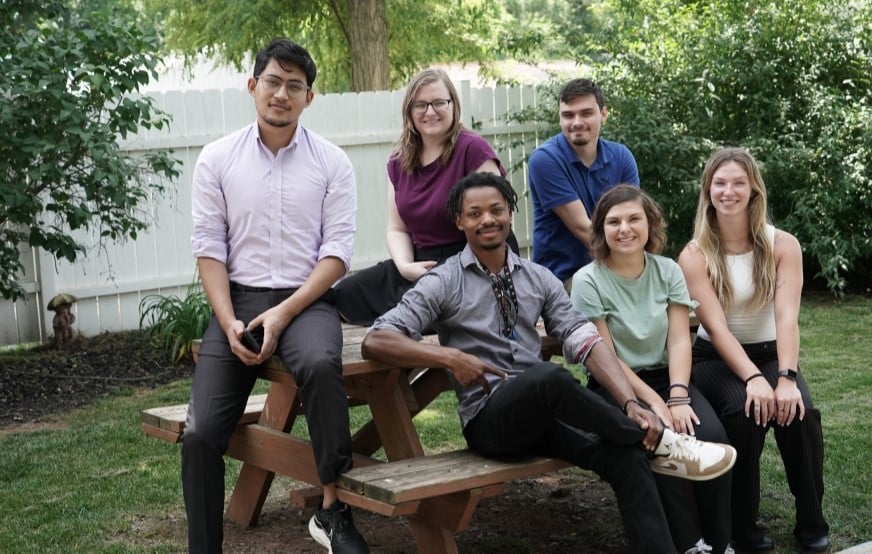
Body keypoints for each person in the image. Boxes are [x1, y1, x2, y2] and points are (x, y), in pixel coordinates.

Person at [362, 172, 737, 553]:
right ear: (460, 221)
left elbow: (585, 339)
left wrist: (629, 402)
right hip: (490, 421)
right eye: (474, 213)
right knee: (549, 377)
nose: (487, 219)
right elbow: (377, 340)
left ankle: (647, 455)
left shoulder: (539, 278)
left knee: (625, 457)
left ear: (510, 211)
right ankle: (664, 444)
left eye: (495, 209)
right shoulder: (442, 282)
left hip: (545, 420)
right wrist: (447, 356)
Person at [184, 38, 369, 554]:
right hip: (236, 301)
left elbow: (337, 254)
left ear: (309, 97)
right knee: (200, 435)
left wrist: (285, 313)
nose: (282, 94)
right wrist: (226, 322)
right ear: (253, 86)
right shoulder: (217, 159)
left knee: (318, 364)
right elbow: (209, 249)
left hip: (307, 299)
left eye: (295, 86)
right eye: (273, 82)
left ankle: (332, 510)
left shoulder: (333, 163)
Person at [678, 147, 829, 553]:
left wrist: (786, 378)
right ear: (708, 190)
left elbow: (787, 319)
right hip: (715, 357)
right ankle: (742, 527)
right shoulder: (694, 254)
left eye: (738, 182)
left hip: (771, 352)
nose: (729, 191)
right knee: (745, 411)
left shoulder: (783, 245)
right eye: (720, 182)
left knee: (801, 412)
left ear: (753, 189)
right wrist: (754, 380)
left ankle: (812, 521)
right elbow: (717, 328)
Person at [571, 185, 733, 554]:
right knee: (663, 444)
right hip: (616, 386)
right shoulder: (587, 281)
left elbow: (679, 340)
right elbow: (605, 357)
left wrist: (677, 396)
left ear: (650, 224)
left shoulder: (668, 271)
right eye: (613, 222)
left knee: (714, 439)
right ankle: (689, 543)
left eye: (633, 219)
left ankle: (720, 543)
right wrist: (654, 405)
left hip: (668, 378)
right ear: (601, 230)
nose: (624, 228)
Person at [334, 68, 517, 326]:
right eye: (420, 105)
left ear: (454, 104)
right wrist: (405, 265)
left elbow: (499, 220)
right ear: (409, 112)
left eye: (439, 103)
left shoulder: (473, 150)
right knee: (345, 294)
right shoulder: (399, 161)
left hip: (473, 261)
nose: (430, 112)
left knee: (428, 308)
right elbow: (397, 229)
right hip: (421, 263)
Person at [528, 78, 640, 288]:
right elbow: (583, 229)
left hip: (613, 267)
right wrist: (629, 273)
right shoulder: (545, 160)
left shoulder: (622, 157)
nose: (576, 122)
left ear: (603, 115)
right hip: (562, 280)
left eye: (586, 113)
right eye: (568, 115)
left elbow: (634, 220)